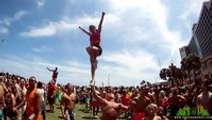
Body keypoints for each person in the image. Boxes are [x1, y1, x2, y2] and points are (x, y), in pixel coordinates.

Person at [79, 12, 105, 83]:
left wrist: (102, 16)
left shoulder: (98, 32)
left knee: (89, 48)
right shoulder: (90, 35)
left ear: (94, 28)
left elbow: (100, 23)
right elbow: (85, 32)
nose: (90, 31)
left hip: (98, 49)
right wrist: (81, 29)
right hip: (93, 52)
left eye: (91, 29)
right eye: (89, 30)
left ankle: (95, 62)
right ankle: (93, 78)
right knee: (92, 65)